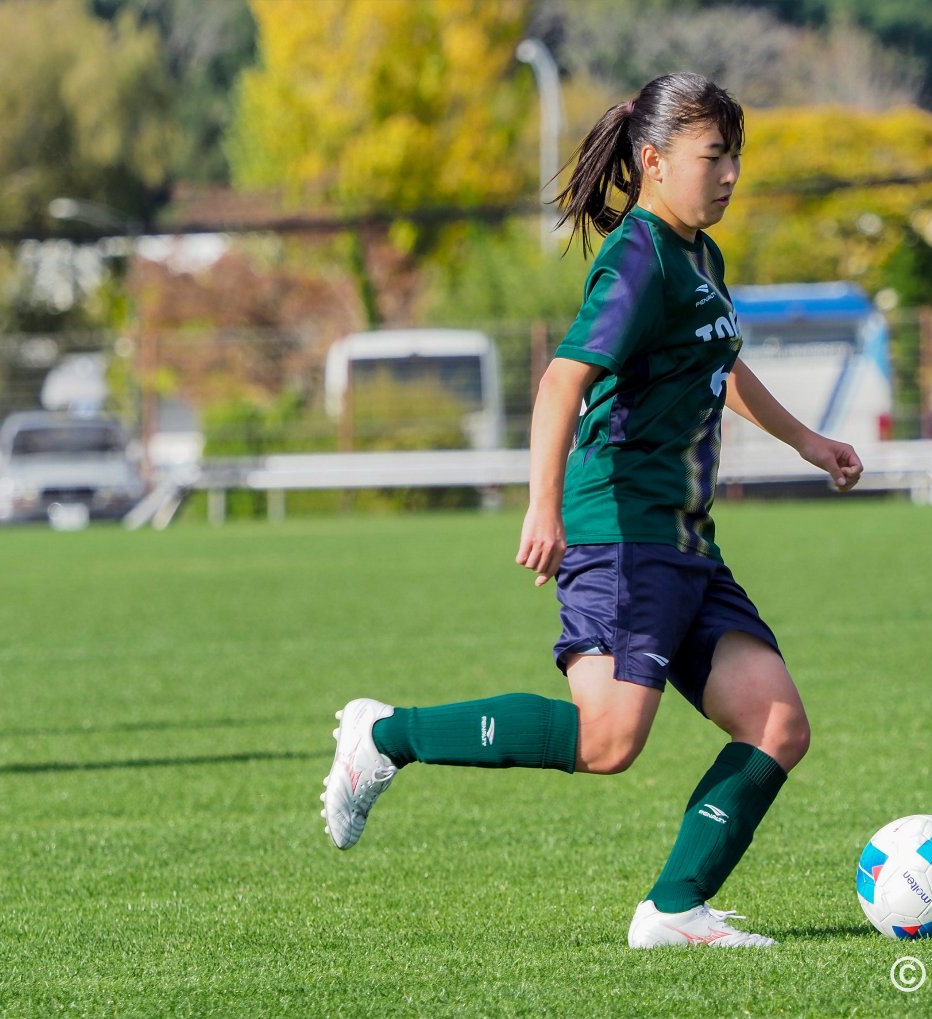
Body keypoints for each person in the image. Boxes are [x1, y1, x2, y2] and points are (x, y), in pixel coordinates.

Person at [321, 72, 863, 949]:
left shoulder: (700, 256)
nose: (729, 174)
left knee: (776, 723)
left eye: (736, 156)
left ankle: (675, 910)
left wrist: (808, 441)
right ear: (653, 161)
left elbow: (719, 362)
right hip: (621, 532)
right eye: (712, 155)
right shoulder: (640, 255)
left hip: (685, 541)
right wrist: (543, 507)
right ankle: (384, 735)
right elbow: (560, 382)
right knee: (611, 739)